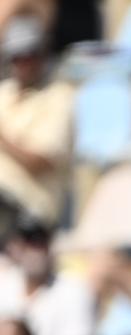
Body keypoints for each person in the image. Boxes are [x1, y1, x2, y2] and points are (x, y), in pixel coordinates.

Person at [0, 14, 72, 242]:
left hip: (30, 211)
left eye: (29, 54)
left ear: (43, 53)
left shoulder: (60, 97)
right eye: (17, 56)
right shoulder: (4, 93)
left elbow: (41, 162)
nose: (23, 63)